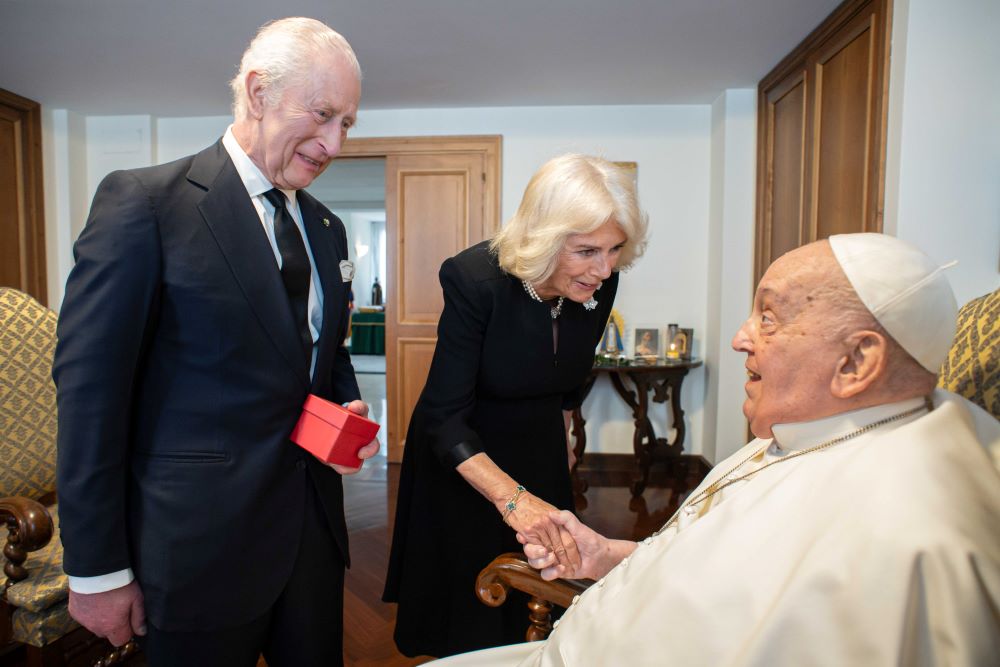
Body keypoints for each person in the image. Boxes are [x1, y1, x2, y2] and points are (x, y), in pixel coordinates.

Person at [434, 233, 1000, 666]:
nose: (739, 337)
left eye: (769, 316)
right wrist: (607, 555)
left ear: (856, 362)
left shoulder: (909, 532)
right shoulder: (810, 429)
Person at [53, 17, 378, 667]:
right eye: (322, 114)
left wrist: (343, 409)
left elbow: (323, 353)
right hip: (195, 554)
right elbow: (90, 397)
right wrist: (96, 570)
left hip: (312, 544)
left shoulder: (326, 227)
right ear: (258, 94)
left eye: (347, 123)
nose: (335, 142)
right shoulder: (144, 205)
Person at [383, 154, 649, 657]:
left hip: (538, 440)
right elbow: (443, 416)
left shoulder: (600, 281)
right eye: (588, 251)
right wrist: (515, 501)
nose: (604, 268)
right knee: (470, 599)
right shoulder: (473, 279)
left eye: (615, 250)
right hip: (466, 450)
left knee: (541, 582)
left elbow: (570, 373)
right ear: (546, 239)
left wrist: (566, 436)